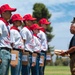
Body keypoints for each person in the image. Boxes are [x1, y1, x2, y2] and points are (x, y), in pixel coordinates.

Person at [0, 4, 16, 75]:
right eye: (9, 12)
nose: (11, 14)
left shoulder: (7, 25)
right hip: (2, 51)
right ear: (3, 13)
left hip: (7, 51)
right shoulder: (1, 23)